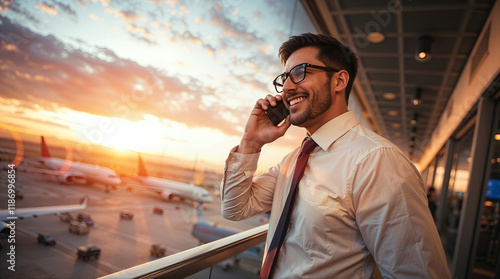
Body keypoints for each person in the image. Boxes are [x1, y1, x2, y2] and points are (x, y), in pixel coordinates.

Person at [220, 33, 450, 278]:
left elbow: (415, 272)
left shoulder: (377, 162)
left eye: (300, 72)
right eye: (285, 78)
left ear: (339, 81)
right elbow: (235, 208)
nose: (287, 87)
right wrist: (251, 142)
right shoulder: (293, 161)